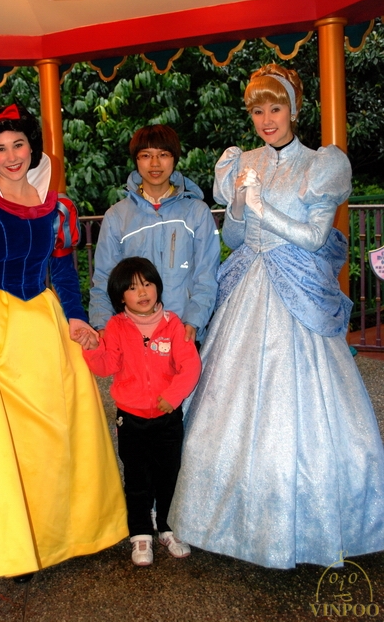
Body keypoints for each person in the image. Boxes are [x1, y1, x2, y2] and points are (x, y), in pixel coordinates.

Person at [168, 64, 384, 569]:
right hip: (248, 283)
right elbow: (233, 237)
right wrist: (239, 206)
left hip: (298, 291)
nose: (267, 120)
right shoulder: (240, 161)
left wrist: (262, 206)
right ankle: (218, 520)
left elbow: (314, 237)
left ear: (294, 109)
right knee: (224, 401)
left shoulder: (320, 164)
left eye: (276, 108)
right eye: (258, 111)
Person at [0, 104, 128, 581]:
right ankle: (10, 547)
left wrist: (76, 318)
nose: (12, 155)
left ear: (31, 147)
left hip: (41, 324)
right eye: (0, 148)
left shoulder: (56, 207)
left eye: (18, 144)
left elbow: (62, 269)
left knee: (55, 432)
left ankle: (58, 533)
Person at [75, 256, 201, 566]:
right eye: (132, 288)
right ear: (121, 297)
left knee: (169, 474)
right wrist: (93, 348)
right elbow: (107, 366)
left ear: (157, 286)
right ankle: (141, 533)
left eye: (147, 284)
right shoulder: (116, 327)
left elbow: (190, 366)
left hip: (168, 417)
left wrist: (172, 396)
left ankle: (169, 527)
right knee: (136, 477)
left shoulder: (174, 325)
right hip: (130, 418)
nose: (142, 292)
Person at [88, 124, 220, 344]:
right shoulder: (117, 216)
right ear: (136, 160)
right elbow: (104, 278)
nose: (155, 163)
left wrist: (193, 322)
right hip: (133, 338)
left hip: (184, 334)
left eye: (163, 155)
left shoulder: (197, 212)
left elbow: (207, 275)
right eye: (146, 155)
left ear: (174, 159)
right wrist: (102, 325)